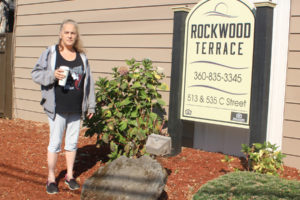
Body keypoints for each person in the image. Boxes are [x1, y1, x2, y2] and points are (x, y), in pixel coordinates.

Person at [31, 19, 95, 194]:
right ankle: (51, 178)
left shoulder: (82, 57)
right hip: (57, 107)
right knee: (55, 144)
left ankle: (69, 175)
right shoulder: (51, 53)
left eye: (72, 33)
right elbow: (35, 74)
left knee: (72, 144)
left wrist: (91, 106)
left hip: (76, 108)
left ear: (76, 36)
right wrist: (52, 75)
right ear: (60, 34)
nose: (69, 35)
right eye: (66, 32)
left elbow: (89, 83)